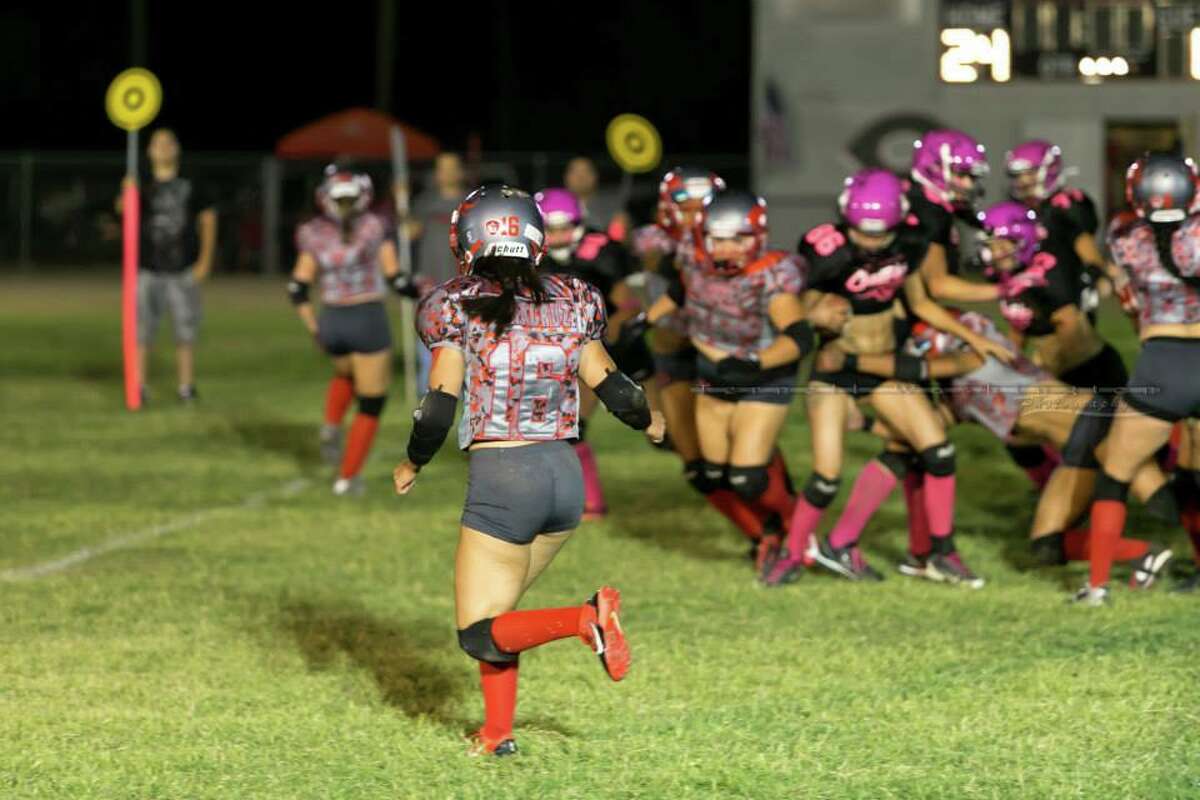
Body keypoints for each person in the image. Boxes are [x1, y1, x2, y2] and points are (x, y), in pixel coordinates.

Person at [391, 185, 665, 756]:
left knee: (476, 631)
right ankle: (496, 734)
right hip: (565, 476)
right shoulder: (576, 297)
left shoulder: (453, 303)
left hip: (505, 476)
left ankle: (583, 620)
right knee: (500, 619)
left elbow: (439, 404)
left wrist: (413, 459)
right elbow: (615, 388)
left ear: (467, 238)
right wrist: (648, 422)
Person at [763, 169, 1010, 588]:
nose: (872, 242)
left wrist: (970, 336)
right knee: (826, 476)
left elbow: (920, 302)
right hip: (836, 370)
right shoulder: (828, 250)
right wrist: (814, 315)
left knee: (938, 451)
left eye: (880, 235)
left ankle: (942, 552)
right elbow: (795, 307)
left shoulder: (910, 242)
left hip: (880, 362)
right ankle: (791, 554)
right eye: (863, 233)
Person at [814, 310, 1175, 589]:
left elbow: (922, 367)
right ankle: (1146, 556)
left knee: (1165, 500)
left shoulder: (974, 351)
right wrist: (861, 423)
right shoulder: (961, 390)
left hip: (1099, 421)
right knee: (1046, 545)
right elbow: (928, 431)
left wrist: (848, 362)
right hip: (1076, 448)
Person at [644, 191, 849, 574]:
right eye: (717, 238)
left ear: (756, 238)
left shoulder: (769, 275)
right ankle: (769, 534)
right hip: (713, 370)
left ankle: (798, 529)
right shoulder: (692, 259)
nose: (725, 248)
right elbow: (680, 290)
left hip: (763, 374)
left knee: (746, 477)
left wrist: (754, 364)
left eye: (737, 238)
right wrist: (647, 320)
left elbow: (800, 336)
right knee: (712, 473)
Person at [1081, 153, 1200, 605]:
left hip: (1163, 360)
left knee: (1115, 471)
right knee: (1195, 472)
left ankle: (1097, 586)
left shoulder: (1122, 234)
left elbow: (1132, 297)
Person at [288, 166, 407, 496]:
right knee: (372, 401)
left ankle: (330, 424)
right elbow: (395, 276)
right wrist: (414, 289)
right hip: (366, 316)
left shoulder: (312, 231)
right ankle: (348, 477)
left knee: (347, 373)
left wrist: (314, 326)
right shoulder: (373, 226)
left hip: (331, 319)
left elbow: (297, 286)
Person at [535, 187, 648, 519]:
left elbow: (628, 304)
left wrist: (609, 324)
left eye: (563, 228)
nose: (557, 237)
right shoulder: (529, 258)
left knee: (664, 435)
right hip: (569, 355)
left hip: (615, 349)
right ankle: (591, 503)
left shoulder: (600, 252)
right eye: (550, 230)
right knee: (569, 428)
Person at [981, 200, 1129, 394]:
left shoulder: (1045, 271)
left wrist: (1045, 375)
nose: (995, 253)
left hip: (1089, 372)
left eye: (1002, 245)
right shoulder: (1011, 273)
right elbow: (1019, 327)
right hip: (1061, 372)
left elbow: (1070, 329)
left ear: (1022, 239)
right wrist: (1007, 366)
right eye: (991, 246)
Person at [131, 128, 217, 403]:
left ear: (177, 148)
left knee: (185, 330)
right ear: (149, 151)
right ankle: (139, 386)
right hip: (148, 269)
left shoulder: (192, 183)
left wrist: (204, 261)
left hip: (182, 269)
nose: (164, 147)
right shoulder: (141, 185)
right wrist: (125, 196)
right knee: (143, 330)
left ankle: (186, 387)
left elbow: (208, 219)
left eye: (170, 142)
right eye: (158, 143)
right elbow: (124, 212)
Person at [1005, 139, 1107, 322]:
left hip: (1067, 293)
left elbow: (1086, 248)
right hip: (1031, 293)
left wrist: (1096, 274)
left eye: (1030, 173)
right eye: (1018, 175)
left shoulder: (1066, 205)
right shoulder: (1018, 211)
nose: (1024, 181)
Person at [409, 153, 468, 389]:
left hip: (463, 284)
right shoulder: (424, 202)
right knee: (429, 343)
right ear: (436, 174)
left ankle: (464, 394)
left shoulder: (470, 202)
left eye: (453, 168)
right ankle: (429, 395)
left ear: (461, 171)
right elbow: (409, 232)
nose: (448, 173)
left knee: (464, 344)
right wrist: (400, 202)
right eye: (443, 168)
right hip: (430, 283)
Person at [564, 156, 629, 240]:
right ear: (566, 177)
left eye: (586, 171)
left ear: (595, 176)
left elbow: (623, 241)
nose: (581, 177)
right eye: (575, 172)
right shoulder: (553, 206)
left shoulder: (611, 205)